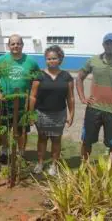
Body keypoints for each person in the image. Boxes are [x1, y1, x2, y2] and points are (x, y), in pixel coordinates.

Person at [76, 33, 112, 166]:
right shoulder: (93, 60)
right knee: (86, 141)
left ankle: (111, 172)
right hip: (93, 109)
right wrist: (83, 98)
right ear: (103, 45)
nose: (110, 45)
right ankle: (84, 167)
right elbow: (79, 77)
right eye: (107, 43)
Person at [29, 45, 75, 176]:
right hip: (41, 114)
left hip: (59, 114)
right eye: (49, 59)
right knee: (42, 139)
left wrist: (71, 114)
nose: (51, 61)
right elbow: (32, 96)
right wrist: (31, 114)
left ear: (60, 59)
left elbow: (70, 97)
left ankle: (54, 165)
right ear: (45, 60)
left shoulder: (66, 77)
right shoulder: (39, 76)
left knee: (56, 140)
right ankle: (40, 162)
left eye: (54, 58)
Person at [0, 34, 40, 163]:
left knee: (22, 130)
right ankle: (4, 151)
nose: (15, 46)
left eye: (18, 43)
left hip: (23, 104)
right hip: (5, 103)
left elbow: (37, 79)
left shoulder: (30, 62)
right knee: (4, 128)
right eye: (13, 44)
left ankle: (21, 153)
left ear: (22, 45)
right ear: (8, 46)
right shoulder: (1, 60)